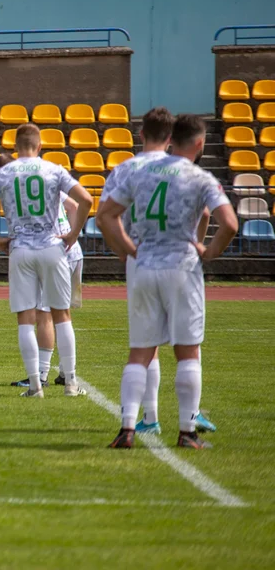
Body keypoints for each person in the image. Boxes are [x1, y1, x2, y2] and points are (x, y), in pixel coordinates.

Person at [98, 114, 237, 450]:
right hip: (181, 266)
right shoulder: (199, 176)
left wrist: (128, 249)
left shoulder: (138, 171)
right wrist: (209, 251)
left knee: (141, 351)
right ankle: (187, 431)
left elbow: (105, 215)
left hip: (145, 265)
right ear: (200, 144)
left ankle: (128, 428)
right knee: (187, 351)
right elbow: (228, 223)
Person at [0, 124, 93, 398]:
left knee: (26, 318)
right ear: (39, 146)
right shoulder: (53, 169)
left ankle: (36, 386)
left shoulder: (3, 173)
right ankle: (71, 384)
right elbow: (85, 199)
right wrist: (74, 232)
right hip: (52, 247)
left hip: (20, 249)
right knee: (61, 315)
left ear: (15, 147)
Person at [0, 152, 86, 390]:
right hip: (70, 250)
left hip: (49, 248)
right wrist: (72, 234)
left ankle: (40, 375)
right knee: (62, 313)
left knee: (44, 315)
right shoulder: (45, 175)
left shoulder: (14, 185)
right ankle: (65, 372)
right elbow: (73, 204)